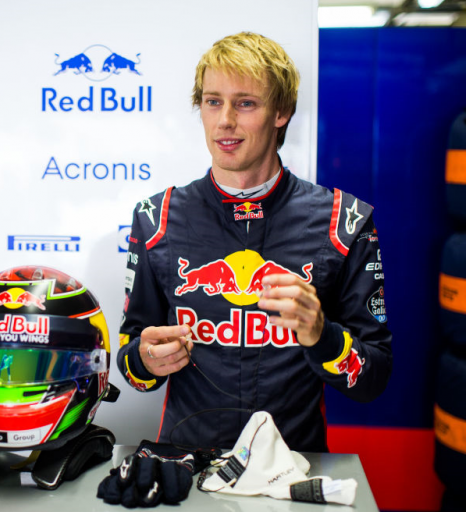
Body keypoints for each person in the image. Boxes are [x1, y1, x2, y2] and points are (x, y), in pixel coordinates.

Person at [117, 32, 392, 453]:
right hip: (186, 470)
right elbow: (133, 360)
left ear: (281, 113)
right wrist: (144, 360)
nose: (225, 120)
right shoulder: (157, 218)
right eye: (213, 101)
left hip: (292, 470)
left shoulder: (345, 221)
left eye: (245, 103)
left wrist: (322, 335)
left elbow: (373, 379)